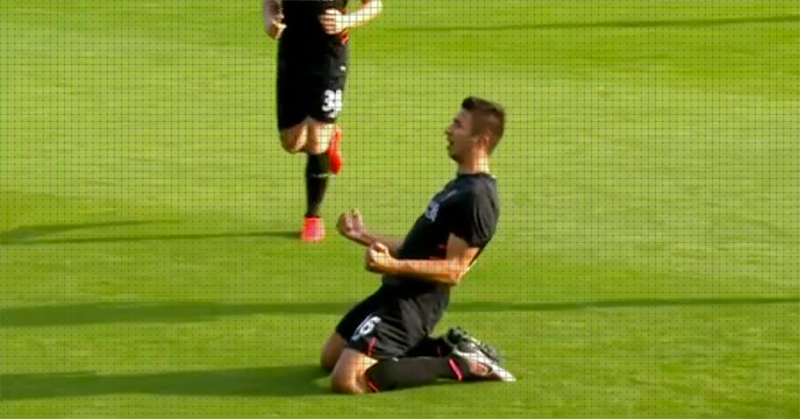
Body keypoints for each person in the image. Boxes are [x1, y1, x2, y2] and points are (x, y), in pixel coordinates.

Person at [320, 97, 515, 394]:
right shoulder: (458, 187)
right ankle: (440, 348)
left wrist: (392, 265)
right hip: (394, 291)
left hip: (414, 305)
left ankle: (460, 365)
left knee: (347, 380)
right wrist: (364, 236)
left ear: (481, 140)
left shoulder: (477, 198)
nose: (448, 130)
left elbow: (454, 271)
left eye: (458, 125)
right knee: (330, 358)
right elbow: (416, 247)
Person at [263, 0, 383, 242]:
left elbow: (374, 5)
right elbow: (270, 2)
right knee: (291, 142)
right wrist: (270, 21)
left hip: (329, 56)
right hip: (292, 53)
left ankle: (313, 217)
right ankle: (331, 138)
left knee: (316, 143)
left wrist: (345, 21)